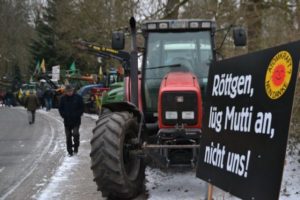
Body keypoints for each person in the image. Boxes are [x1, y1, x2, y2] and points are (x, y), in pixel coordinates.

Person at [59, 85, 84, 156]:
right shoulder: (63, 98)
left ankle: (76, 146)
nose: (69, 93)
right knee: (68, 136)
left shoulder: (78, 98)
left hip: (76, 120)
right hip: (67, 121)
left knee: (75, 134)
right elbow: (60, 108)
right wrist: (63, 115)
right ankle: (70, 151)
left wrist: (78, 114)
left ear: (73, 91)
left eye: (70, 91)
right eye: (68, 91)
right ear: (65, 92)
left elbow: (82, 107)